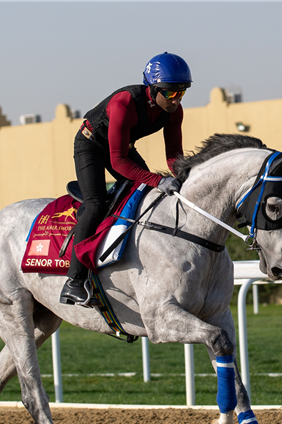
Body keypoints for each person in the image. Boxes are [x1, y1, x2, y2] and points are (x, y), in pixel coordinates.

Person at [60, 52, 192, 306]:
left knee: (145, 195)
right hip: (90, 145)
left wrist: (183, 175)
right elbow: (119, 160)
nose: (177, 100)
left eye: (182, 93)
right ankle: (74, 281)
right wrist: (157, 180)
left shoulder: (174, 112)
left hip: (120, 146)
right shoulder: (124, 103)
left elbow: (173, 155)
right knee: (97, 203)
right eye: (172, 93)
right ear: (153, 89)